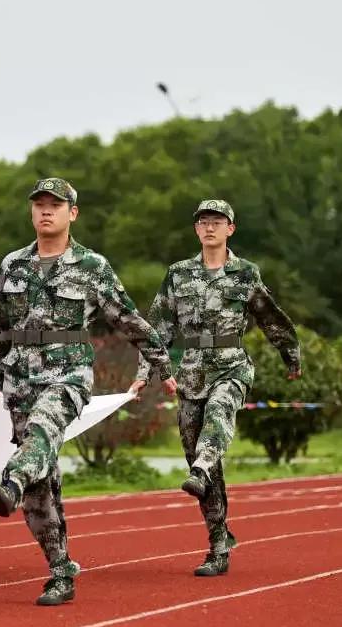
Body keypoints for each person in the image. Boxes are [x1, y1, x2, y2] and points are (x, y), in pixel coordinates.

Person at [0, 178, 176, 605]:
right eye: (40, 205)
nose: (46, 211)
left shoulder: (91, 267)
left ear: (73, 213)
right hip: (19, 381)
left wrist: (162, 364)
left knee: (42, 432)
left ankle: (9, 482)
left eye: (56, 204)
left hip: (67, 375)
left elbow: (129, 319)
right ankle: (60, 569)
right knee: (41, 487)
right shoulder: (12, 264)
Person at [129, 199, 301, 577]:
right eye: (203, 222)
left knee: (219, 416)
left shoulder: (245, 273)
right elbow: (157, 327)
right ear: (196, 230)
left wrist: (291, 354)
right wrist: (146, 372)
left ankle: (203, 467)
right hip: (191, 373)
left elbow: (269, 315)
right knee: (197, 457)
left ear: (230, 229)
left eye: (217, 222)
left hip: (232, 366)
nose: (209, 227)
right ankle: (218, 541)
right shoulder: (178, 274)